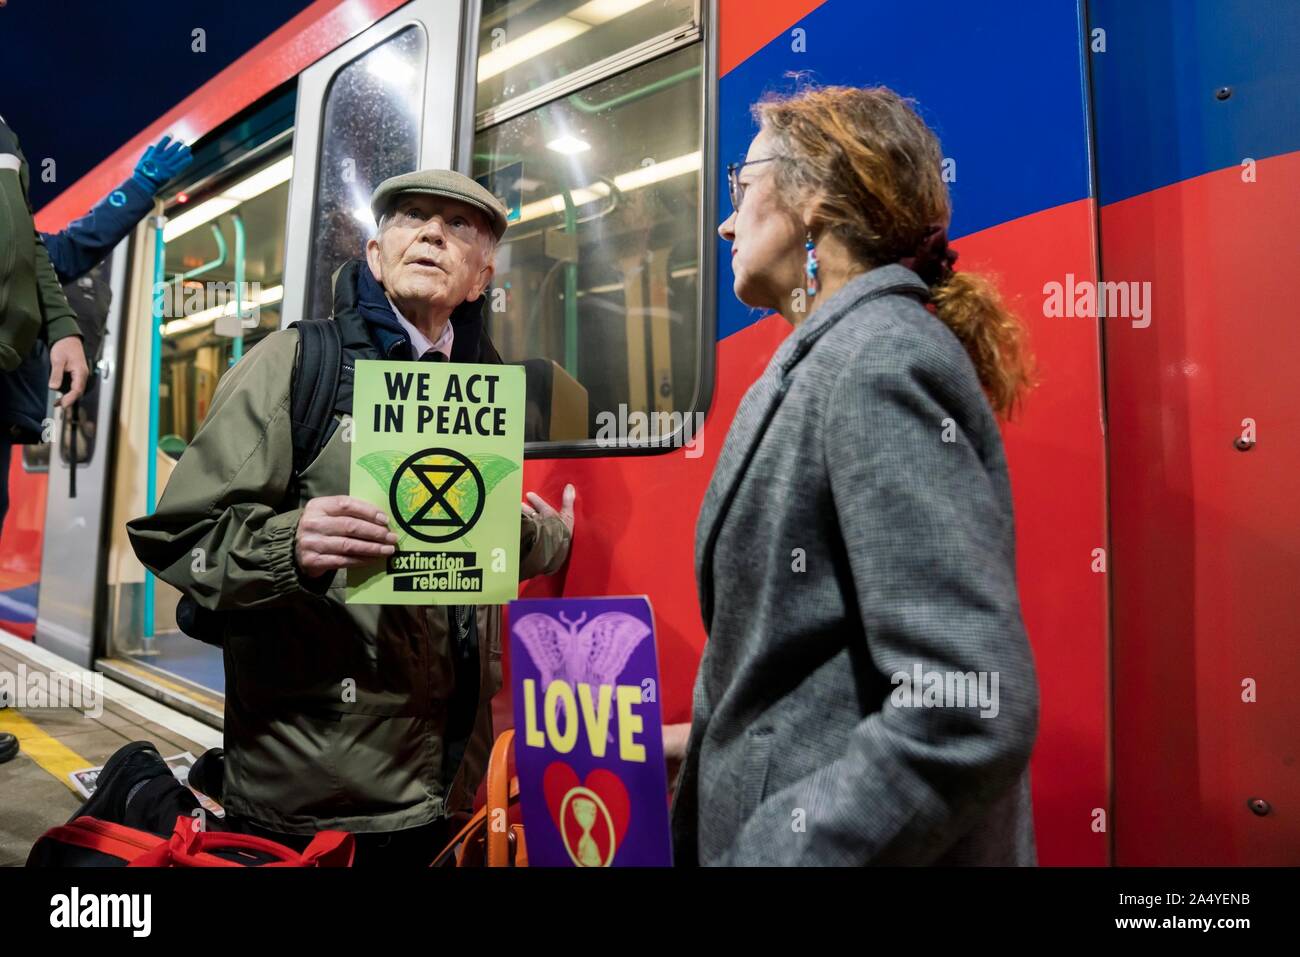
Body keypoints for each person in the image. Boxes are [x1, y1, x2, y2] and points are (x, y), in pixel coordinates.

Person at [120, 169, 577, 866]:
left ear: (482, 277)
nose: (431, 232)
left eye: (459, 226)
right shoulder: (298, 364)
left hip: (450, 787)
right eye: (412, 217)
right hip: (313, 798)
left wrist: (551, 537)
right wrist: (287, 545)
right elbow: (183, 537)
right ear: (374, 254)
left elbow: (452, 529)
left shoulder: (481, 391)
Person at [669, 85, 1040, 865]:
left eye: (741, 186)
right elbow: (799, 664)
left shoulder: (878, 359)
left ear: (817, 199)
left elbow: (967, 709)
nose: (726, 221)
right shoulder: (833, 356)